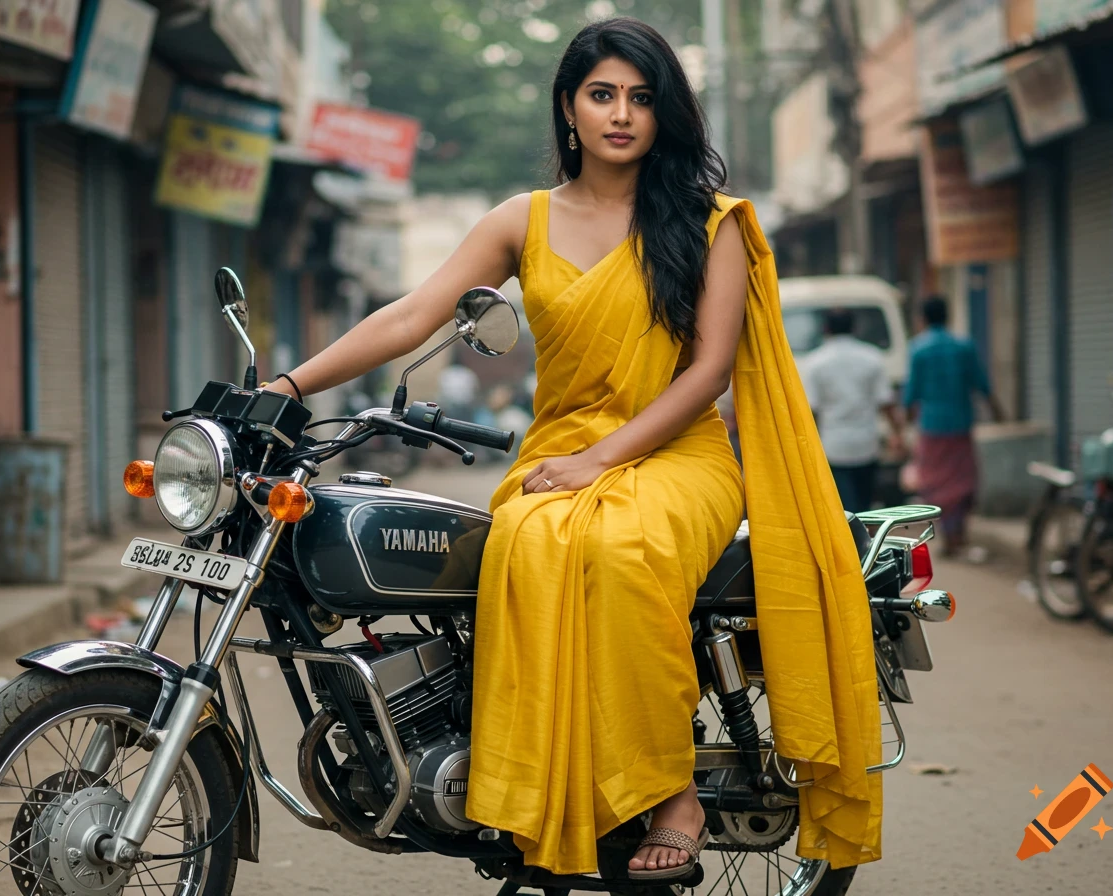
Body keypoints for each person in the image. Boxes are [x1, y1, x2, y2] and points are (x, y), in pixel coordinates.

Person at [260, 16, 881, 881]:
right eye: (602, 95)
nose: (621, 114)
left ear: (665, 114)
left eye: (641, 97)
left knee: (621, 551)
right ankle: (531, 788)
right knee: (523, 541)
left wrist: (601, 462)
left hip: (681, 456)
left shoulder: (712, 224)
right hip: (562, 447)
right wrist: (287, 388)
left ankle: (673, 792)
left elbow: (707, 374)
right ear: (569, 108)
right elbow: (411, 315)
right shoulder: (524, 218)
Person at [903, 295, 1005, 556]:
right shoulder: (963, 346)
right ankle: (958, 533)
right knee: (961, 479)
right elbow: (982, 383)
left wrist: (904, 423)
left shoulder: (918, 349)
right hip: (960, 424)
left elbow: (911, 392)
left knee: (936, 482)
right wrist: (997, 411)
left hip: (932, 426)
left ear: (923, 319)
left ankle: (948, 535)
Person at [801, 308, 906, 513]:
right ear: (854, 328)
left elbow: (811, 412)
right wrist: (898, 434)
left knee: (843, 508)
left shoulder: (815, 363)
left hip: (833, 447)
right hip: (866, 445)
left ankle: (851, 543)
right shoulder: (872, 357)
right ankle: (866, 543)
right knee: (866, 505)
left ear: (826, 329)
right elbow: (886, 403)